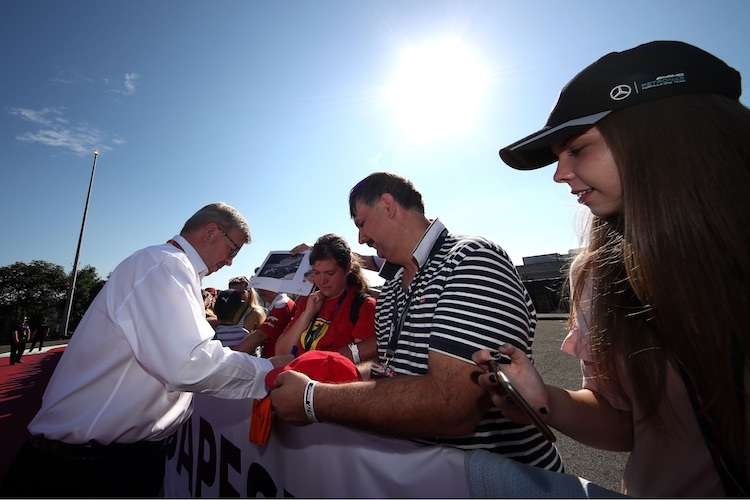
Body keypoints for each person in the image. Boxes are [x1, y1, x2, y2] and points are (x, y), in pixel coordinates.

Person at [473, 40, 750, 497]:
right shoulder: (600, 275)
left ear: (661, 136)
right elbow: (628, 423)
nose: (559, 174)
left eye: (578, 148)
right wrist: (545, 401)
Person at [270, 173, 563, 471]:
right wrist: (327, 373)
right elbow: (390, 371)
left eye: (361, 223)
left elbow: (452, 406)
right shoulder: (394, 288)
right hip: (431, 478)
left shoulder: (471, 260)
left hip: (503, 481)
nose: (361, 238)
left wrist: (314, 399)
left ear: (387, 205)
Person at [0, 202, 291, 497]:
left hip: (102, 461)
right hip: (85, 470)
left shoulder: (170, 267)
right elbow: (189, 363)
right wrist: (270, 373)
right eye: (233, 250)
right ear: (211, 231)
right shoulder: (165, 265)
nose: (230, 261)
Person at [275, 233, 377, 363]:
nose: (322, 281)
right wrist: (308, 314)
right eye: (316, 273)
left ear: (347, 269)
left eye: (330, 273)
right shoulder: (310, 301)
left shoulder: (364, 305)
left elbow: (361, 367)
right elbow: (281, 352)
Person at [254, 287, 297, 357]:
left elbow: (261, 335)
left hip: (277, 357)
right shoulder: (275, 304)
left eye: (266, 285)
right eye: (259, 286)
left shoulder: (282, 304)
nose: (261, 290)